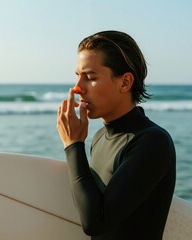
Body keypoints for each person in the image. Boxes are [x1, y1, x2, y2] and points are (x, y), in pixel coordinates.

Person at [57, 30, 176, 240]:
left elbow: (95, 222)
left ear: (125, 83)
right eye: (78, 76)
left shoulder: (151, 142)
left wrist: (73, 145)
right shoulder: (99, 137)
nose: (78, 88)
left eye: (91, 77)